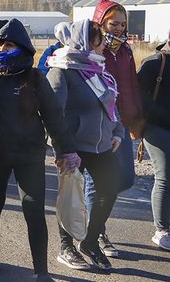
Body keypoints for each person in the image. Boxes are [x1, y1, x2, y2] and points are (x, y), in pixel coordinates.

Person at [0, 19, 78, 281]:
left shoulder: (35, 78)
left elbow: (54, 117)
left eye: (9, 45)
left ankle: (41, 270)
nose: (2, 49)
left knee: (34, 210)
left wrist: (65, 150)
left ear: (22, 47)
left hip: (28, 155)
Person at [47, 20, 124, 271]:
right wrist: (62, 150)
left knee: (109, 191)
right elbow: (52, 114)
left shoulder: (98, 68)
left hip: (103, 146)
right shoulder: (62, 70)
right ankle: (66, 246)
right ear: (85, 41)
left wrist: (119, 132)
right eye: (99, 39)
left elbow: (112, 104)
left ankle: (90, 242)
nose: (103, 43)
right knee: (71, 197)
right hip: (74, 147)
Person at [88, 0, 143, 257]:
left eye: (123, 23)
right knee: (97, 180)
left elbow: (130, 84)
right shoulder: (91, 48)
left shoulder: (125, 50)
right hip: (100, 121)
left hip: (121, 119)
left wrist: (135, 120)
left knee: (125, 178)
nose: (120, 28)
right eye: (114, 23)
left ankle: (95, 220)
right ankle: (96, 233)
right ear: (101, 22)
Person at [137, 36, 170, 251]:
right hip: (156, 127)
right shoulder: (154, 63)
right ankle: (162, 230)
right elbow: (139, 98)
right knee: (165, 175)